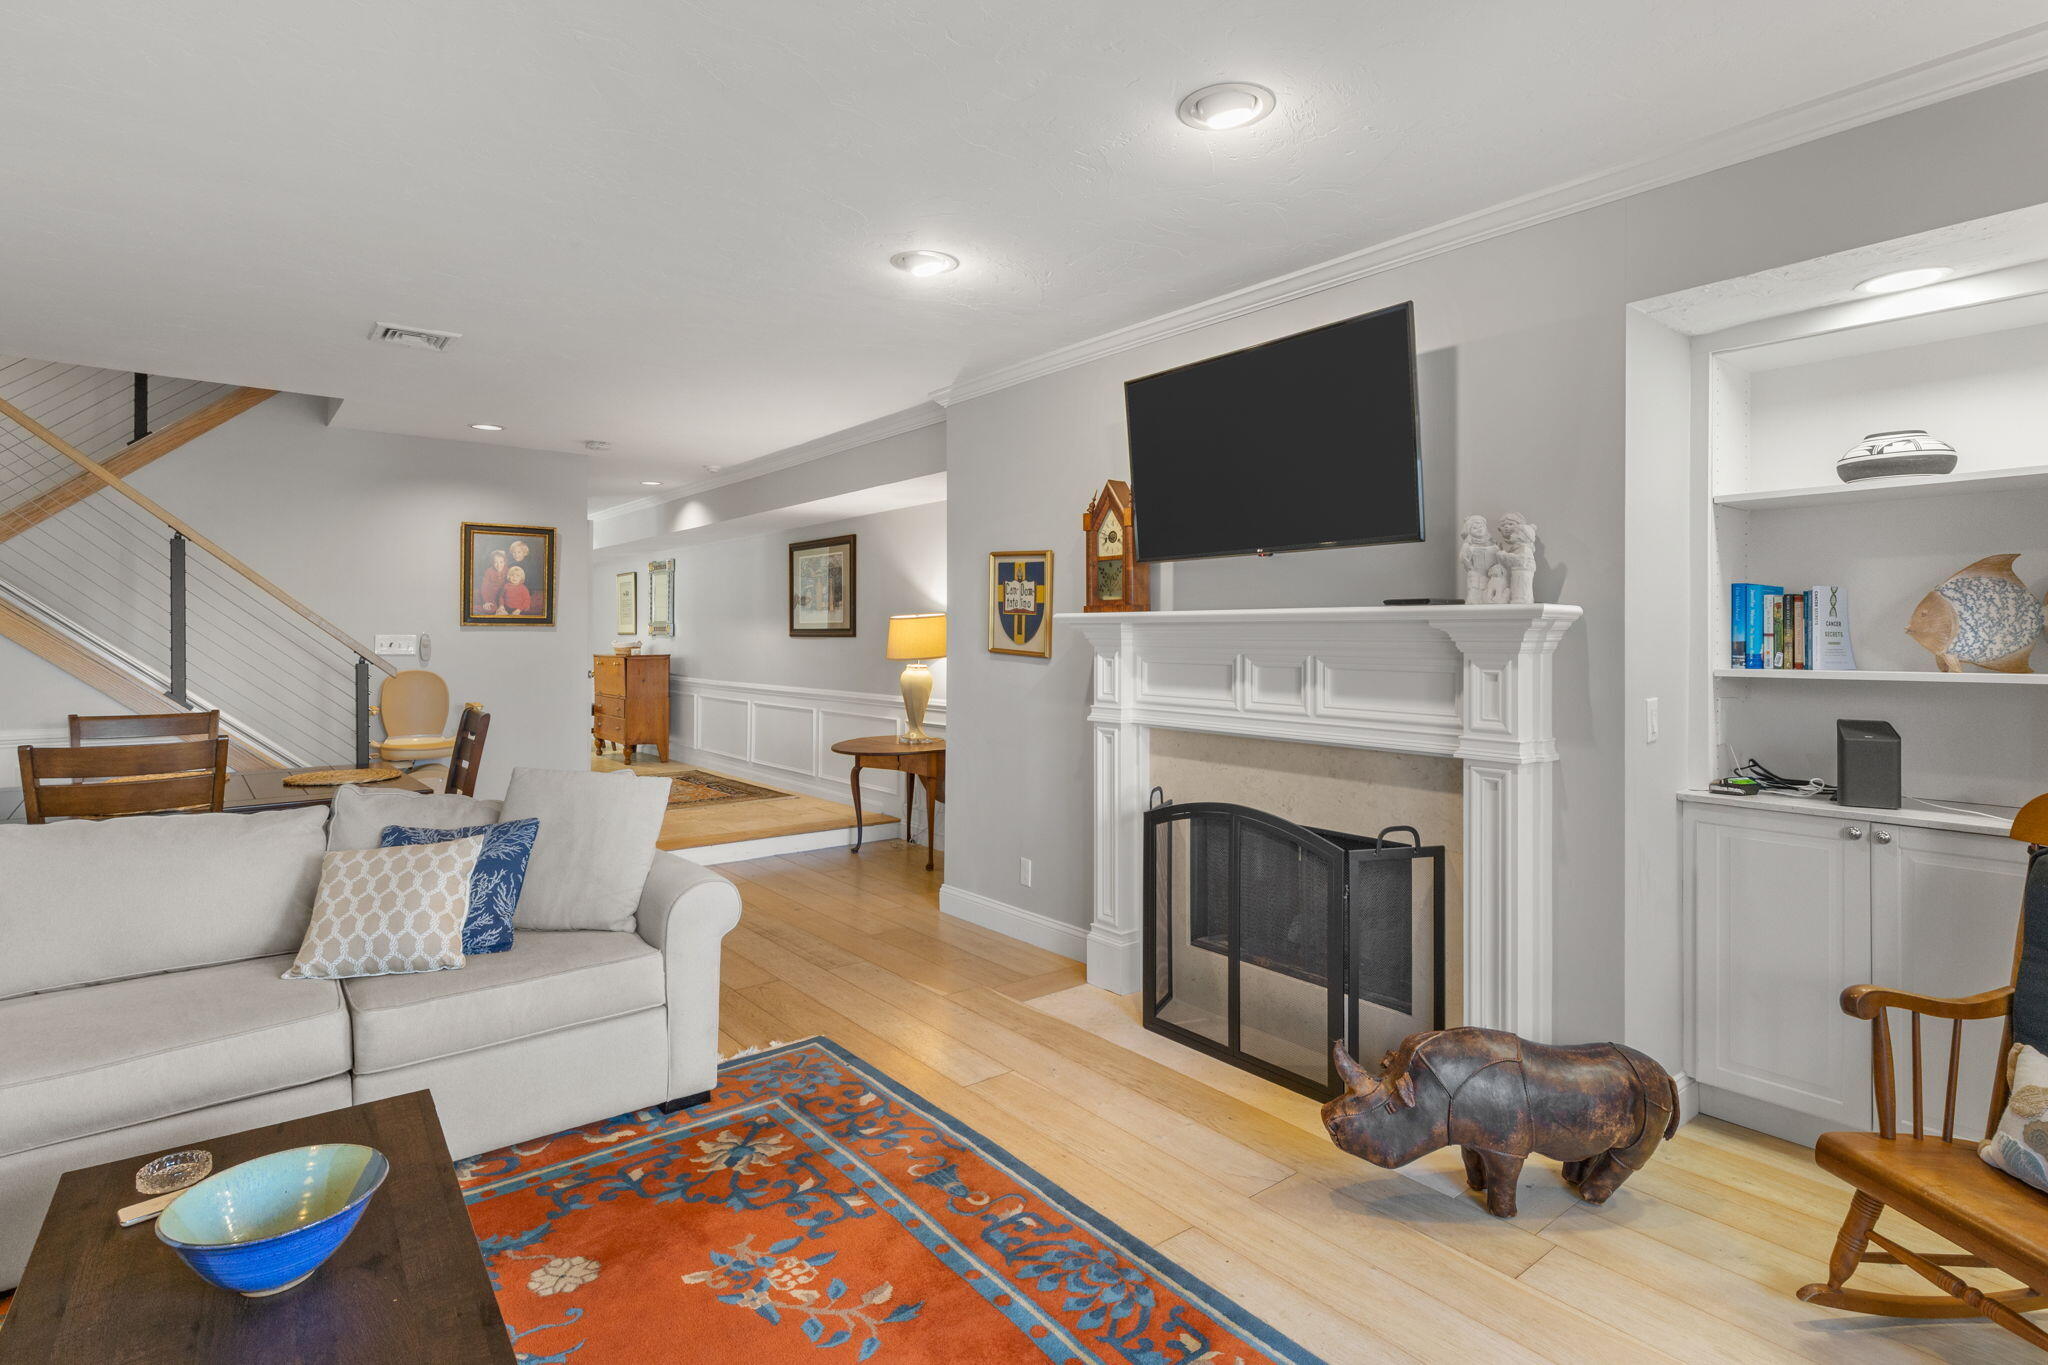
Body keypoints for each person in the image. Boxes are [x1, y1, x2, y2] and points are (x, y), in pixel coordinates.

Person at [474, 548, 508, 614]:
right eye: (496, 562)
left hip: (503, 596)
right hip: (491, 596)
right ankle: (474, 608)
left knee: (508, 606)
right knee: (491, 608)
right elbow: (484, 587)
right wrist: (486, 601)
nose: (498, 565)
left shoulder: (507, 570)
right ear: (492, 562)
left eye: (501, 562)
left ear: (505, 562)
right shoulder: (489, 571)